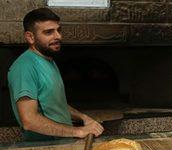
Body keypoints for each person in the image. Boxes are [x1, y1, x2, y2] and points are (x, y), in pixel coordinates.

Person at [8, 8, 104, 141]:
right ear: (30, 37)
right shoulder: (24, 67)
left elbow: (55, 105)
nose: (58, 36)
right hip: (45, 149)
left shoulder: (48, 61)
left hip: (62, 143)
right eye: (49, 32)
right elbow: (29, 120)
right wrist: (79, 131)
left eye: (58, 30)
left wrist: (83, 118)